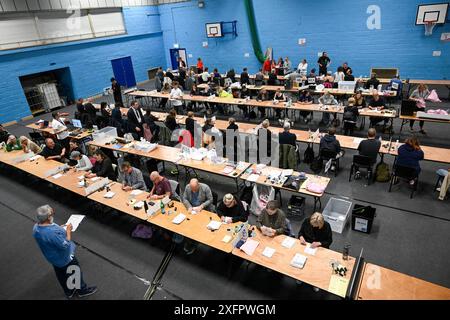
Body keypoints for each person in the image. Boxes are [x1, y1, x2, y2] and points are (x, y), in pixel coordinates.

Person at [33, 205, 97, 298]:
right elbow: (65, 245)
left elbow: (49, 236)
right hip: (64, 257)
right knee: (75, 271)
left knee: (61, 274)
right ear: (48, 217)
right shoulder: (51, 233)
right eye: (52, 213)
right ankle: (82, 290)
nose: (53, 215)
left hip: (53, 258)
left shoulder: (36, 228)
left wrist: (59, 228)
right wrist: (68, 231)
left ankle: (69, 291)